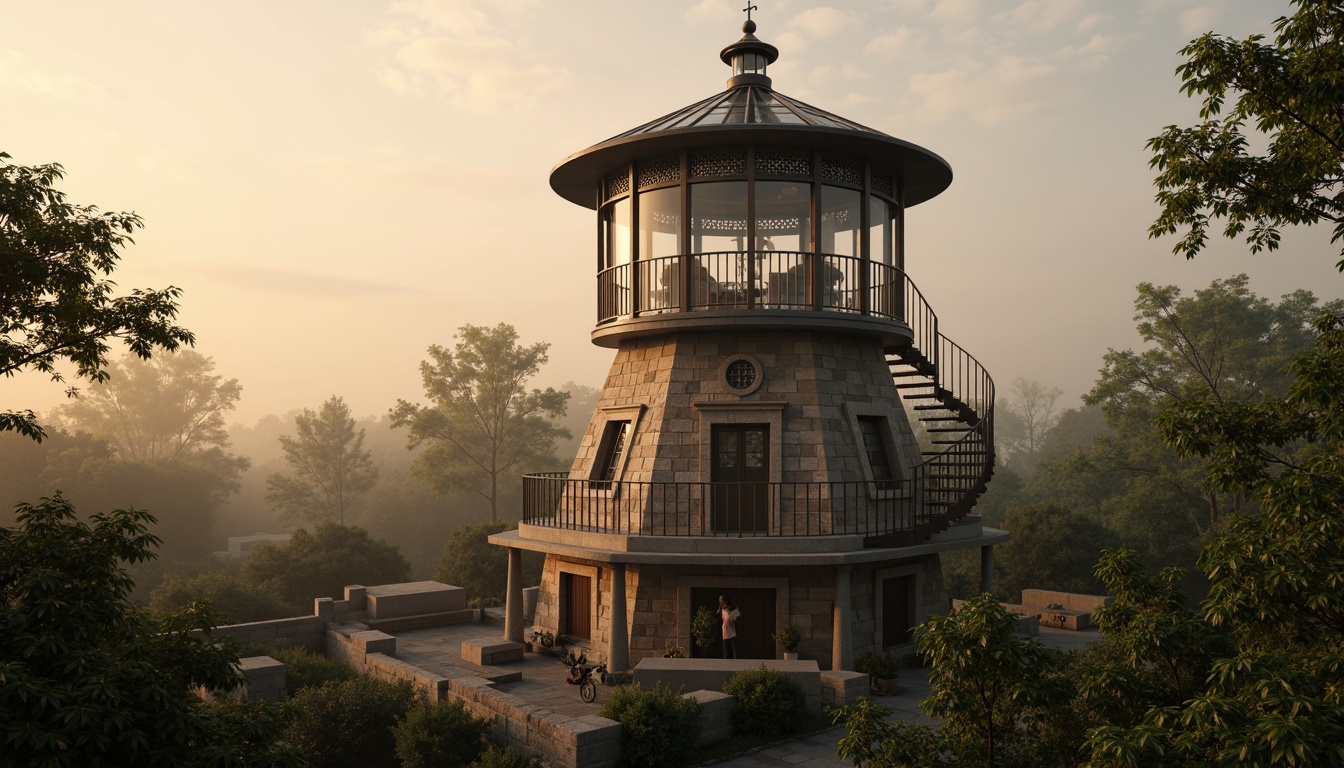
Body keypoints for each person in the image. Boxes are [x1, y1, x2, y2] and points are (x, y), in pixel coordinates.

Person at [717, 595, 741, 659]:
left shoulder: (732, 610)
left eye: (721, 600)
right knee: (726, 654)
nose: (720, 602)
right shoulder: (721, 610)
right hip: (725, 634)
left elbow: (738, 620)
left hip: (733, 634)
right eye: (720, 601)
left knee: (735, 653)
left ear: (725, 601)